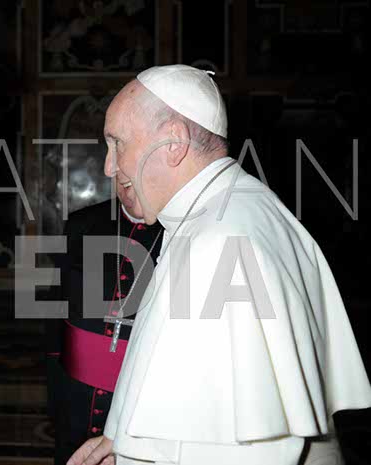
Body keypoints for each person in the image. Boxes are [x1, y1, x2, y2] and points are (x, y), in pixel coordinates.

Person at [68, 65, 371, 465]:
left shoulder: (218, 242)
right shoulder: (239, 206)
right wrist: (124, 443)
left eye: (117, 143)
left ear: (173, 142)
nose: (109, 167)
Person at [47, 197, 162, 465]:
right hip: (75, 397)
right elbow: (56, 308)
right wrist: (54, 388)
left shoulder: (177, 228)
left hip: (138, 402)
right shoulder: (83, 223)